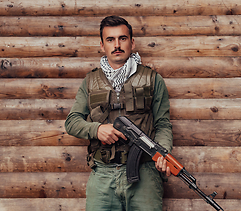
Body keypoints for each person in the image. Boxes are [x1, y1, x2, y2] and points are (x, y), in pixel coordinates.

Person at [65, 15, 173, 211]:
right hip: (103, 176)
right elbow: (72, 122)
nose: (117, 45)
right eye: (110, 39)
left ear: (131, 42)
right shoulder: (90, 81)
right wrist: (96, 129)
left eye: (122, 38)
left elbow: (163, 124)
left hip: (144, 174)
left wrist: (163, 154)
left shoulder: (152, 79)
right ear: (102, 45)